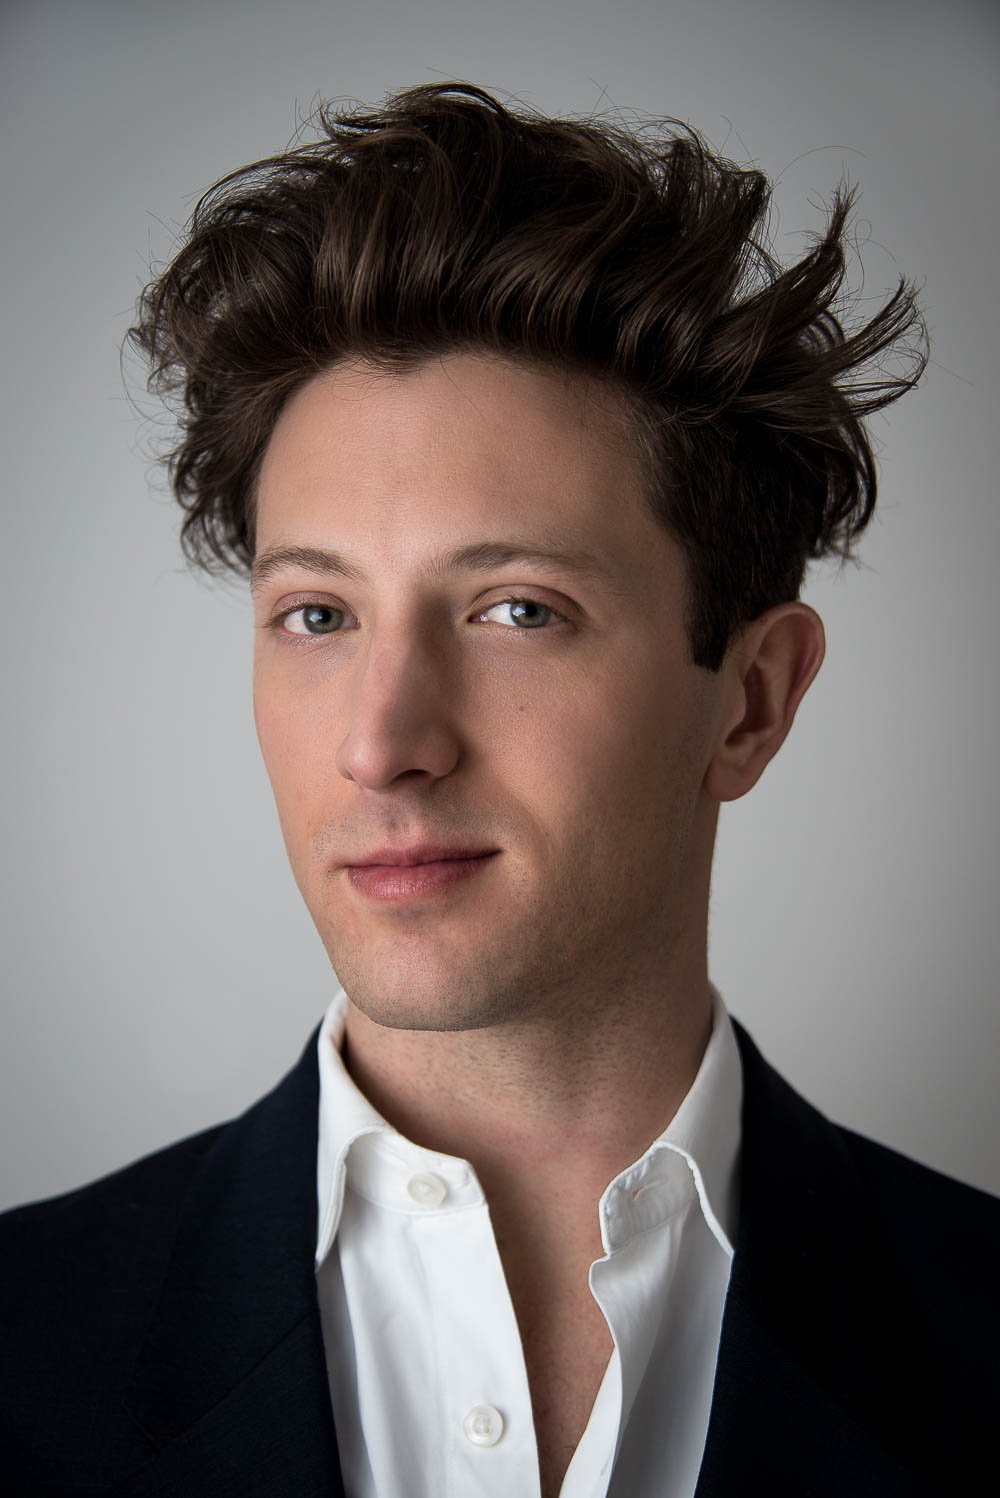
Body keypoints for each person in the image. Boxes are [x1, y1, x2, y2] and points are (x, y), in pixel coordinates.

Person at [1, 80, 996, 1498]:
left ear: (754, 700)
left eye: (516, 610)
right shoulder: (23, 1335)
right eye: (318, 614)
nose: (382, 741)